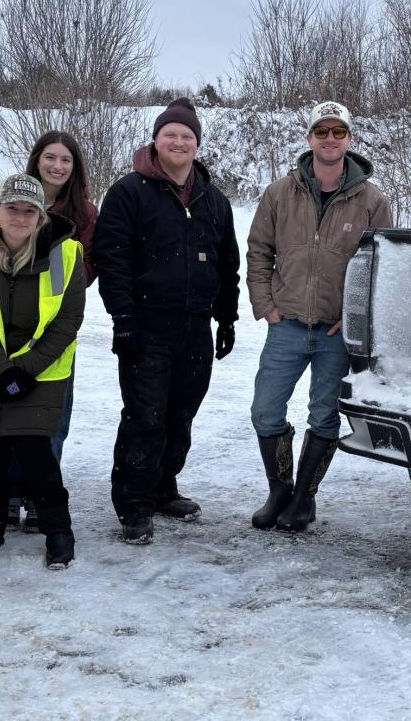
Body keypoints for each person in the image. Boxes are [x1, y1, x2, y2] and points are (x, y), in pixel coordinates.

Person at [94, 98, 240, 545]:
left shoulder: (213, 199)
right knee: (145, 416)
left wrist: (226, 318)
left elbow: (227, 263)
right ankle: (134, 504)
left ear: (197, 144)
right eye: (170, 134)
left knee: (180, 415)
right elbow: (112, 260)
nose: (179, 142)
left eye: (187, 136)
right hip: (146, 325)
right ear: (155, 140)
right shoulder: (128, 192)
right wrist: (123, 319)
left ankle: (162, 488)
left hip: (195, 327)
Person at [246, 101, 393, 532]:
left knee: (324, 415)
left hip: (335, 333)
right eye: (322, 131)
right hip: (286, 325)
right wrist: (265, 306)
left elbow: (383, 266)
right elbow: (258, 252)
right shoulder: (279, 193)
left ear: (349, 139)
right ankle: (279, 491)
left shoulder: (371, 200)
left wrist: (357, 318)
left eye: (338, 132)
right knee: (265, 411)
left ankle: (303, 499)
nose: (330, 139)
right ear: (309, 138)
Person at [0, 174, 83, 569]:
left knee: (36, 454)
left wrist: (25, 369)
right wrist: (0, 371)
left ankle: (58, 531)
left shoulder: (67, 253)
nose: (20, 216)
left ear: (41, 217)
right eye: (12, 208)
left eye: (30, 210)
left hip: (41, 371)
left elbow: (68, 320)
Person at [6, 130, 99, 532]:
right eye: (50, 157)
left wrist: (53, 278)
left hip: (57, 325)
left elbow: (90, 267)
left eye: (66, 160)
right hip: (10, 324)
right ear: (36, 159)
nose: (57, 166)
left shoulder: (85, 213)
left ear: (75, 167)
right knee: (9, 408)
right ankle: (8, 494)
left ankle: (39, 495)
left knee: (52, 414)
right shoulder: (12, 199)